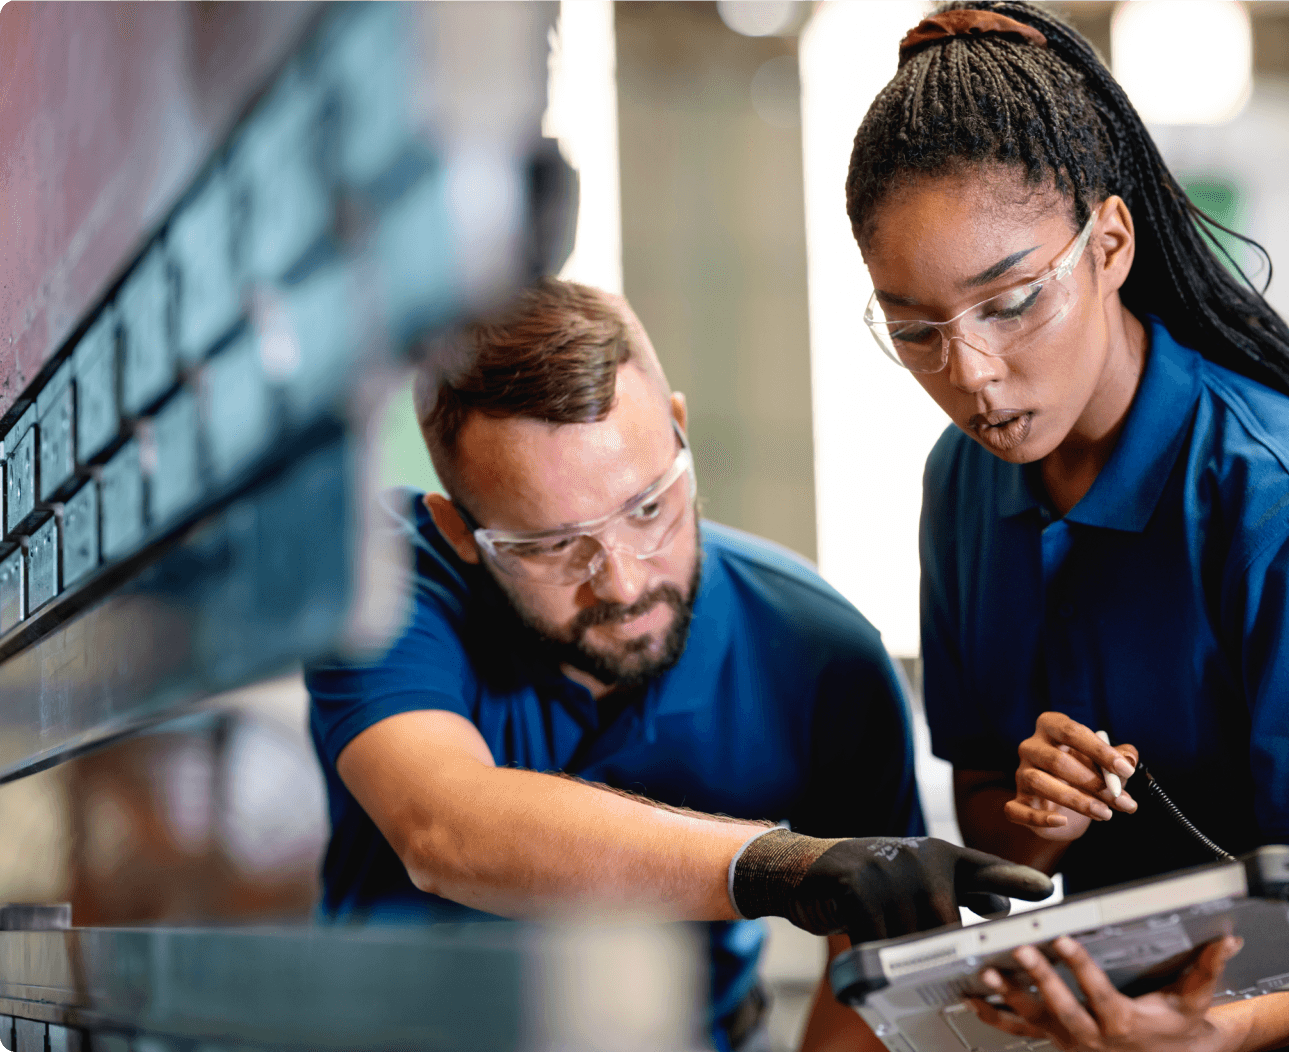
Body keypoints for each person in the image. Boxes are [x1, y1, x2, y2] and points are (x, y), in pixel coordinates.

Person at [844, 4, 1289, 1050]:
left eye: (1009, 300)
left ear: (1108, 243)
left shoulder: (1283, 502)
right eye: (915, 330)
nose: (968, 375)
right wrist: (1035, 817)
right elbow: (984, 811)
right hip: (1128, 980)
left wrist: (1197, 1038)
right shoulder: (961, 483)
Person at [304, 279, 1052, 1052]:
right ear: (459, 530)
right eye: (555, 545)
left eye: (648, 508)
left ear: (680, 431)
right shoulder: (384, 586)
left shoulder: (819, 656)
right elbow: (444, 826)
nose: (624, 583)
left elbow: (876, 974)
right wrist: (777, 866)